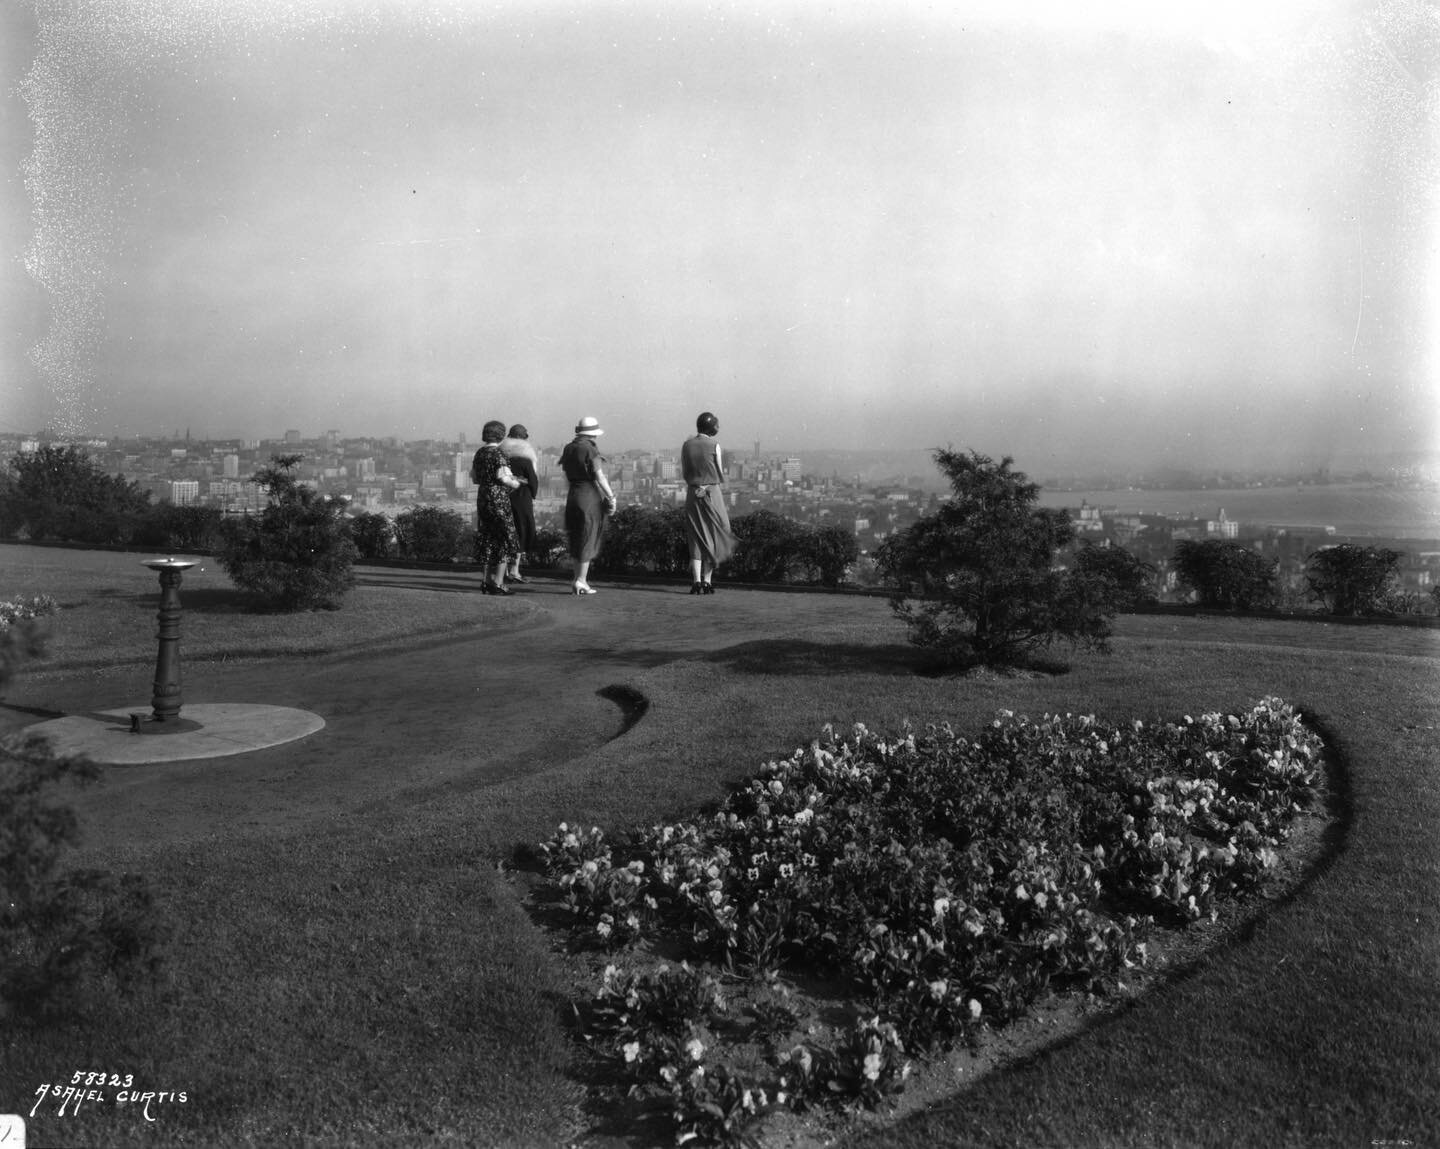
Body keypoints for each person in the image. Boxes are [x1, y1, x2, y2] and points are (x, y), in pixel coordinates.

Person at [681, 410, 736, 595]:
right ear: (712, 427)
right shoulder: (714, 445)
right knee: (718, 532)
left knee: (695, 535)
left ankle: (696, 582)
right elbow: (719, 470)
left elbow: (685, 469)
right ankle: (707, 580)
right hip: (711, 492)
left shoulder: (686, 445)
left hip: (692, 493)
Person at [559, 415, 616, 595]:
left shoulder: (569, 448)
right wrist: (611, 496)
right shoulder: (590, 449)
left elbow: (566, 473)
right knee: (588, 537)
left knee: (577, 537)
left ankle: (577, 579)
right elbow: (599, 477)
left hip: (573, 495)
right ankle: (582, 580)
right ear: (593, 434)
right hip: (589, 496)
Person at [470, 419, 522, 595]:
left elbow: (475, 478)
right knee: (503, 539)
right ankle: (498, 583)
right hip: (498, 498)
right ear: (501, 435)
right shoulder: (499, 454)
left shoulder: (479, 453)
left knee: (487, 537)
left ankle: (485, 581)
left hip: (483, 497)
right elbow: (503, 478)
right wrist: (517, 483)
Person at [498, 424, 540, 582]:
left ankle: (504, 572)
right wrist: (532, 493)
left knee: (505, 531)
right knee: (521, 531)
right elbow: (533, 481)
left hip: (503, 496)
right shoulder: (526, 458)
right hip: (522, 498)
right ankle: (514, 570)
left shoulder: (501, 455)